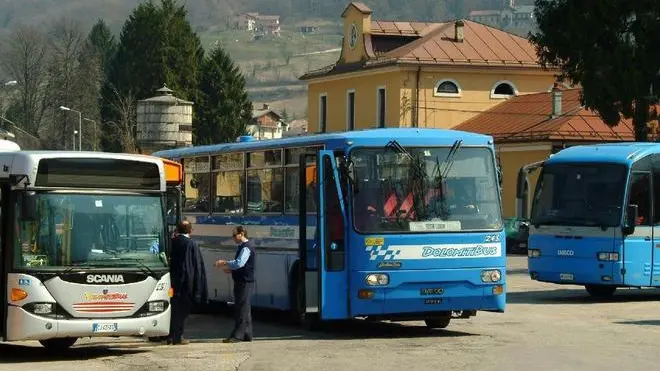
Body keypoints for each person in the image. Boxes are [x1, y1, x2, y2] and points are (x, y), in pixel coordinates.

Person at [167, 220, 208, 345]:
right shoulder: (191, 244)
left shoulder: (171, 242)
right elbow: (196, 266)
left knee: (173, 308)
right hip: (185, 283)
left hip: (171, 282)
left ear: (177, 230)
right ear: (190, 231)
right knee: (182, 310)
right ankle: (178, 337)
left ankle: (169, 335)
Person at [215, 226, 256, 343]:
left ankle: (237, 335)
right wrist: (232, 270)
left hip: (244, 282)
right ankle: (247, 334)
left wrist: (225, 262)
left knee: (241, 308)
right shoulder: (244, 247)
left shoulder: (246, 248)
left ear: (241, 234)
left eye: (234, 235)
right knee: (245, 308)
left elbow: (240, 263)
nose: (233, 238)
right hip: (245, 280)